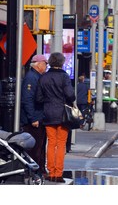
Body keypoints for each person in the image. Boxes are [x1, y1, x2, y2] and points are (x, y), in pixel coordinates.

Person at [36, 52, 76, 183]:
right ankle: (58, 173)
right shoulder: (64, 77)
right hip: (63, 114)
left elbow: (39, 98)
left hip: (48, 113)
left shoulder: (44, 77)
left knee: (51, 143)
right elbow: (70, 95)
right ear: (62, 62)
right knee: (61, 144)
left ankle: (50, 171)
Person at [20, 54, 48, 177]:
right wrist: (33, 118)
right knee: (34, 148)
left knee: (40, 146)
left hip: (39, 117)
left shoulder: (37, 77)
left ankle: (40, 170)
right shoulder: (31, 78)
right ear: (38, 64)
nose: (46, 66)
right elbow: (27, 99)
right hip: (34, 119)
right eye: (45, 63)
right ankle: (33, 172)